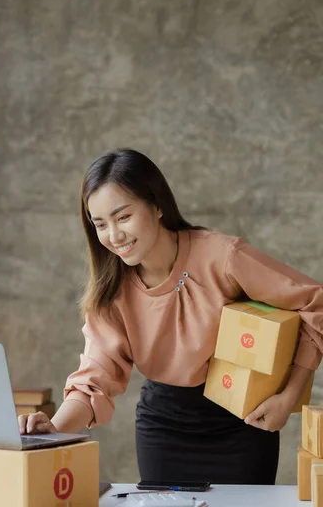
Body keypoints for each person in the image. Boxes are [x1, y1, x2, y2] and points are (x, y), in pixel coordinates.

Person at [19, 148, 323, 484]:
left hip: (242, 423)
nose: (114, 236)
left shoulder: (223, 257)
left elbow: (314, 302)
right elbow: (94, 378)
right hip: (163, 426)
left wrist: (289, 396)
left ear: (157, 204)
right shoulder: (110, 290)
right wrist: (54, 428)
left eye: (123, 217)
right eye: (100, 224)